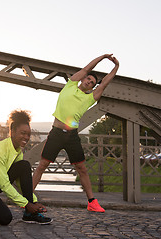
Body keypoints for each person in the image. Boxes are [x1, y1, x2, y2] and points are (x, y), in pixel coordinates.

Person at [32, 54, 119, 213]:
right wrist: (103, 57)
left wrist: (116, 67)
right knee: (42, 165)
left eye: (92, 83)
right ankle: (27, 198)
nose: (89, 82)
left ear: (93, 87)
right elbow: (87, 68)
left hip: (71, 136)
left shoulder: (90, 98)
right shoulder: (70, 85)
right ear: (82, 79)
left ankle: (92, 202)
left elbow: (104, 84)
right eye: (88, 79)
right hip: (57, 133)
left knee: (82, 169)